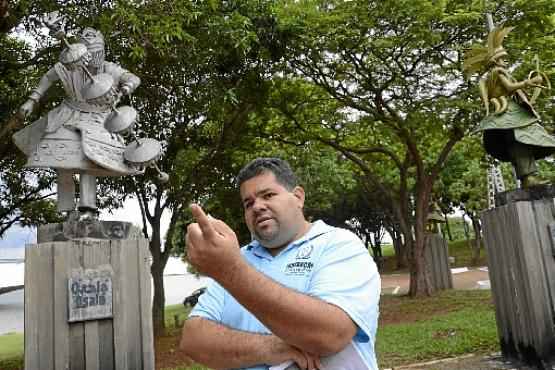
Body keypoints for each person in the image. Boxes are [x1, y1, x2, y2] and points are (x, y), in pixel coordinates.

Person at [180, 158, 381, 370]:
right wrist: (272, 348)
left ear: (298, 197)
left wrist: (230, 271)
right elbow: (193, 339)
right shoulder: (235, 258)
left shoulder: (338, 244)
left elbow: (330, 334)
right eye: (248, 203)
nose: (257, 206)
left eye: (268, 195)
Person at [12, 27, 141, 214]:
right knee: (62, 160)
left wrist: (126, 88)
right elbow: (49, 77)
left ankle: (87, 206)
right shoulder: (68, 65)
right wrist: (32, 100)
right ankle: (66, 208)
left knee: (88, 160)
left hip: (97, 119)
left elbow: (132, 78)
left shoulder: (109, 68)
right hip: (68, 114)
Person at [463, 26, 555, 187]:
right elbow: (510, 88)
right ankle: (528, 177)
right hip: (508, 113)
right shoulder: (498, 72)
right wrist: (529, 82)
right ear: (495, 61)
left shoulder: (498, 73)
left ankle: (529, 176)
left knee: (526, 140)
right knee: (519, 141)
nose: (506, 61)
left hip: (512, 112)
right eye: (503, 58)